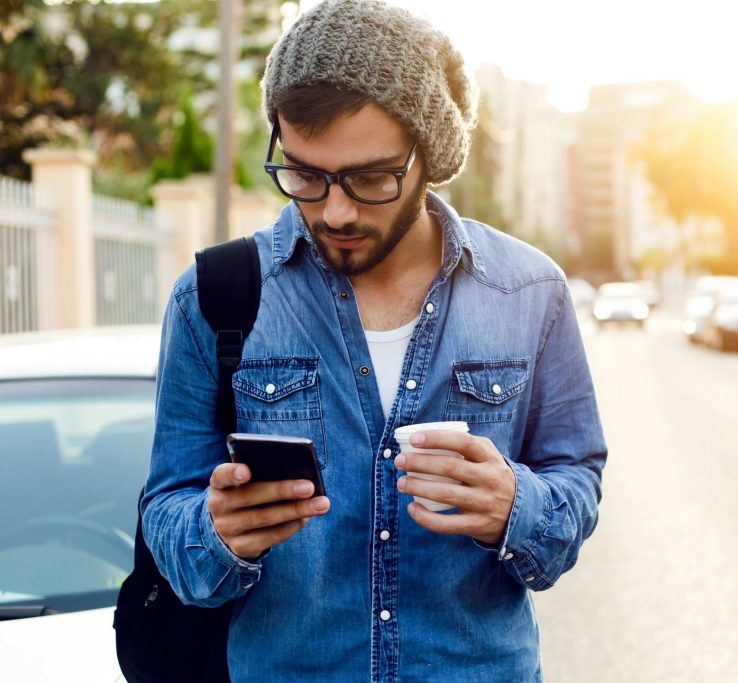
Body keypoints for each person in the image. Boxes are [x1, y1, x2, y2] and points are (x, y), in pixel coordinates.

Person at [142, 0, 607, 680]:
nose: (335, 209)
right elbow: (167, 510)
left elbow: (578, 479)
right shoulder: (211, 298)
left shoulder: (531, 292)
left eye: (369, 178)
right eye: (304, 173)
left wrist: (517, 507)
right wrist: (213, 534)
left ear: (430, 155)